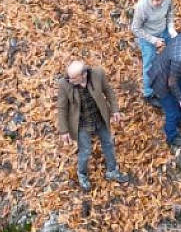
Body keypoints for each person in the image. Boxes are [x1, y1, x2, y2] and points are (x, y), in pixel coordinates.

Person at [56, 60, 130, 191]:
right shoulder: (64, 84)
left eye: (74, 77)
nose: (70, 79)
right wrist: (63, 130)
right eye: (69, 76)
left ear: (84, 74)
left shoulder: (98, 74)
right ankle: (82, 174)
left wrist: (115, 110)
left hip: (99, 118)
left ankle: (112, 170)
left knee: (108, 143)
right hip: (81, 123)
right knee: (85, 150)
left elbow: (109, 92)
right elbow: (62, 108)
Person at [131, 0, 177, 105]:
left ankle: (173, 80)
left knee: (176, 52)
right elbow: (135, 28)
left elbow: (170, 13)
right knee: (149, 65)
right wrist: (153, 40)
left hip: (163, 30)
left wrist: (171, 28)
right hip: (147, 36)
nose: (155, 3)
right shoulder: (142, 7)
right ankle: (148, 93)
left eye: (158, 0)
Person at [147, 31, 181, 147]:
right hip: (161, 80)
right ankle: (171, 136)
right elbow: (171, 83)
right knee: (171, 111)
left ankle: (179, 118)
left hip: (172, 71)